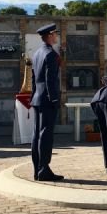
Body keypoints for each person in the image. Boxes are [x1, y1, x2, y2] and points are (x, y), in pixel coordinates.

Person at [30, 23, 63, 182]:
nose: (56, 36)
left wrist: (33, 97)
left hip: (38, 98)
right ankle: (44, 170)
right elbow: (51, 80)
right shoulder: (50, 54)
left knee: (37, 135)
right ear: (50, 35)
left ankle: (37, 169)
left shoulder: (37, 54)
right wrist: (55, 99)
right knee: (46, 135)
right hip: (48, 100)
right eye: (55, 34)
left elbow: (33, 79)